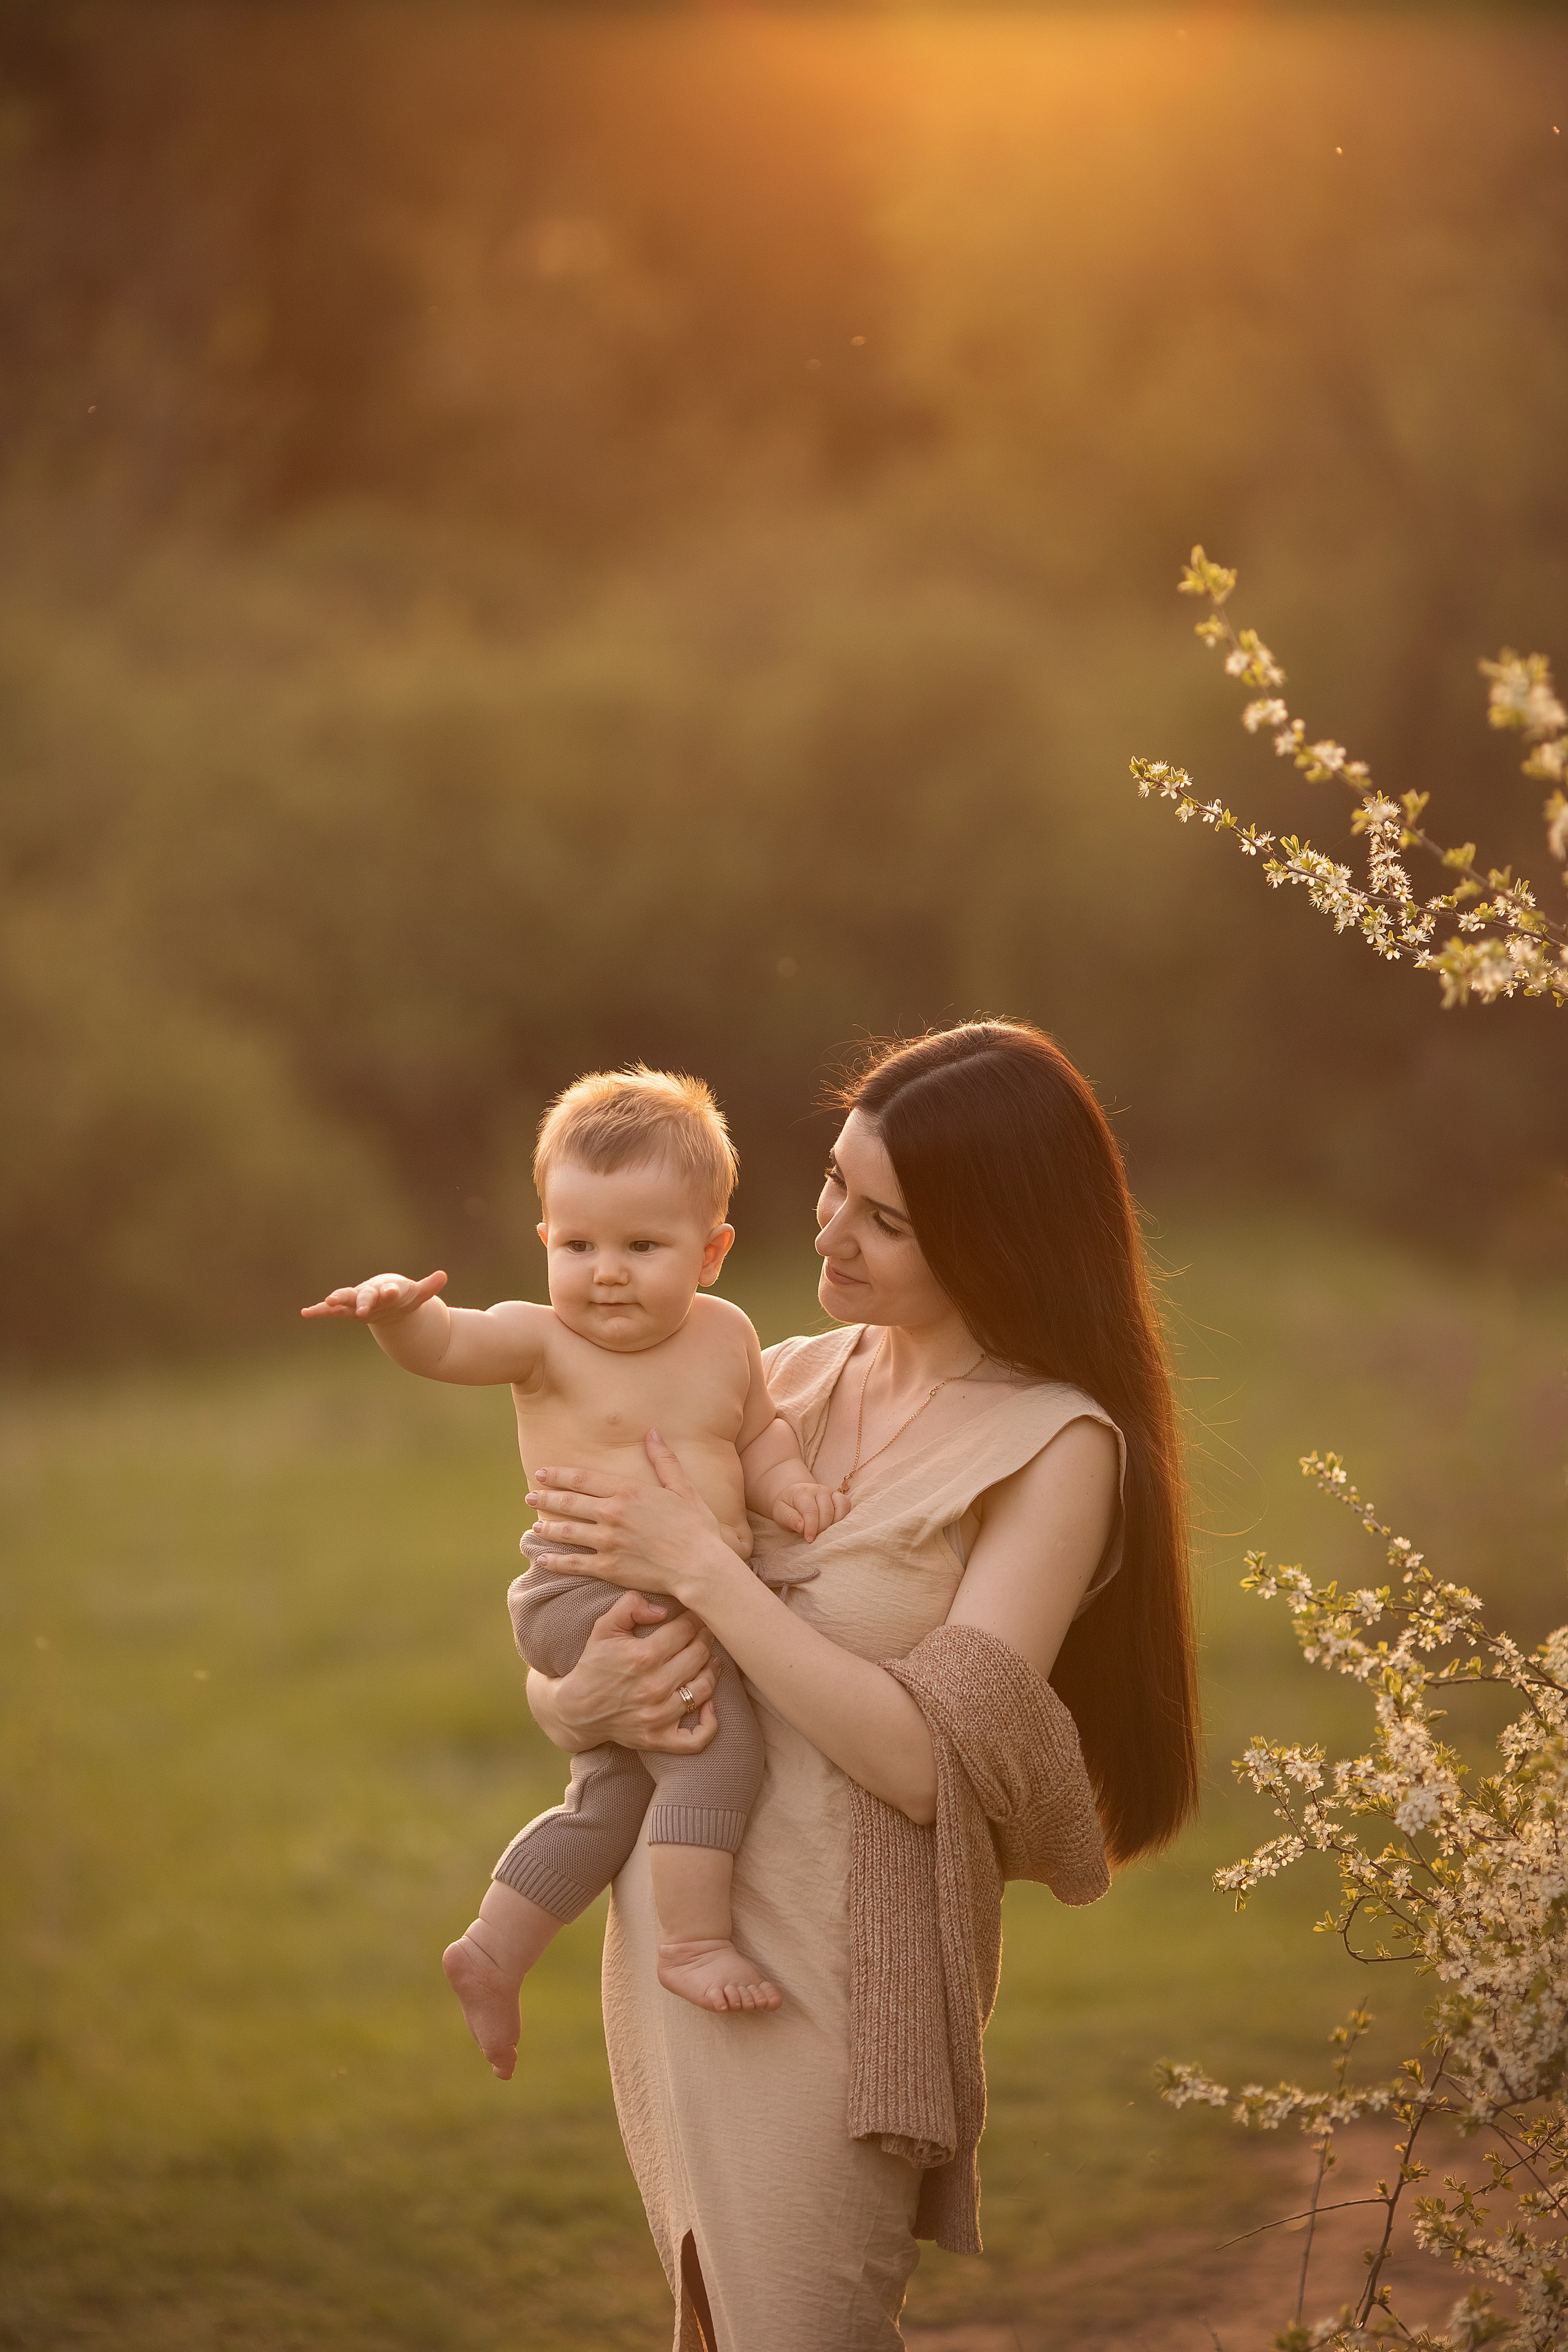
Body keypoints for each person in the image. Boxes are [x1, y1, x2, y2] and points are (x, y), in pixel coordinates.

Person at [522, 1021, 1200, 2352]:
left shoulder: (1052, 1446)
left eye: (881, 1219)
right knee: (717, 2322)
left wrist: (707, 1578)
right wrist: (577, 1704)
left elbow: (924, 1760)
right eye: (834, 1181)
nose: (826, 1230)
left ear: (989, 1238)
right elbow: (584, 1629)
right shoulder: (777, 1375)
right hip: (680, 1933)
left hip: (839, 1979)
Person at [301, 1067, 848, 2074]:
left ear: (712, 1253)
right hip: (585, 1590)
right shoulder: (541, 1339)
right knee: (714, 1744)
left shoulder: (728, 1338)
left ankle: (494, 1948)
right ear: (546, 1241)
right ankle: (693, 1941)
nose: (607, 1273)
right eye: (580, 1245)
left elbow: (758, 1435)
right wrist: (396, 1315)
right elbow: (449, 1343)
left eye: (643, 1247)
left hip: (674, 1584)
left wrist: (788, 1490)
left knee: (611, 1794)